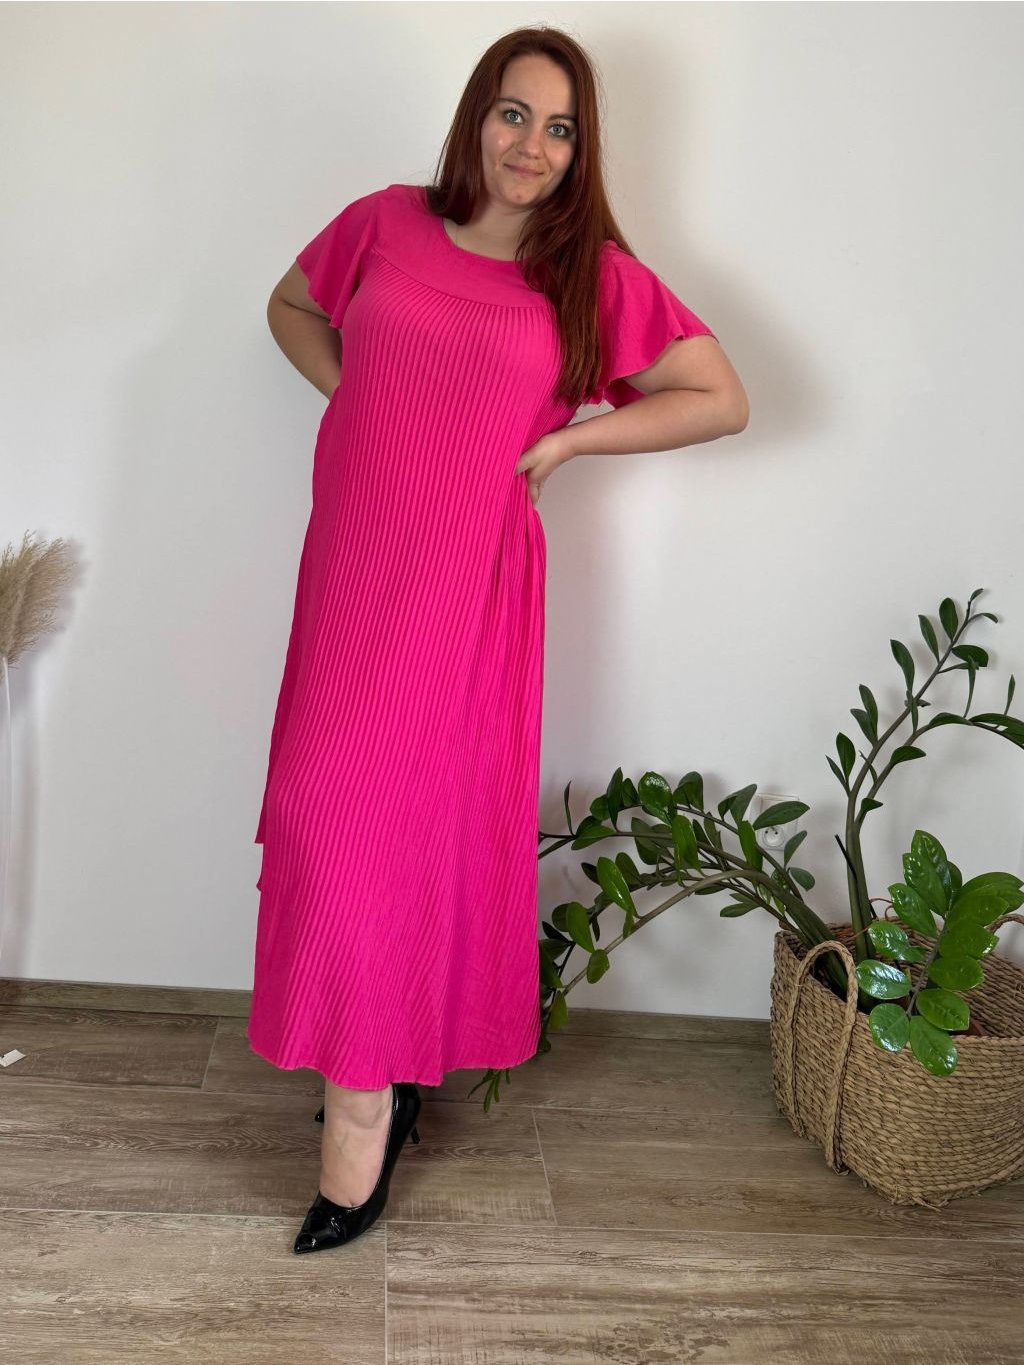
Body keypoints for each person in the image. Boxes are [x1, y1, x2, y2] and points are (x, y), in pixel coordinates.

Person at [249, 25, 749, 1256]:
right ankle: (380, 1069)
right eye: (514, 114)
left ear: (581, 151)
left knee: (399, 828)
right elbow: (289, 305)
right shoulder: (384, 222)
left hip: (468, 584)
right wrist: (356, 393)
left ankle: (361, 1116)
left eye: (560, 128)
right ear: (477, 116)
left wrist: (570, 439)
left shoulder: (588, 275)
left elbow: (719, 398)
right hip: (353, 569)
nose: (532, 145)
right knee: (321, 811)